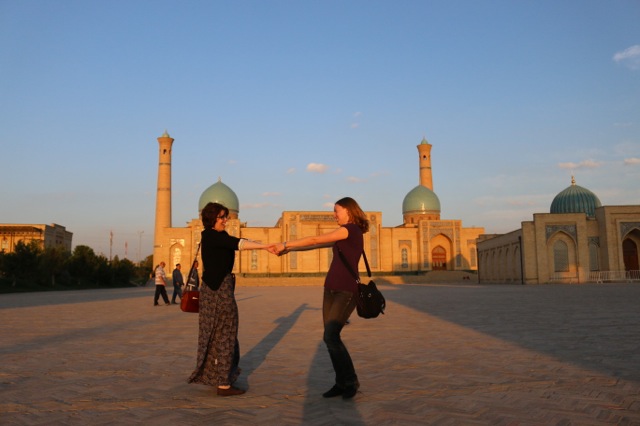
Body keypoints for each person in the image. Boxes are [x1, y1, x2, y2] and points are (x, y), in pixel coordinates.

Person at [270, 197, 369, 400]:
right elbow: (313, 246)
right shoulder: (342, 234)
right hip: (330, 289)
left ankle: (350, 381)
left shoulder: (351, 230)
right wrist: (288, 250)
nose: (334, 215)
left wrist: (284, 243)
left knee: (331, 336)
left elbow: (314, 239)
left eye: (336, 211)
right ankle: (341, 382)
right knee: (331, 338)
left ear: (349, 211)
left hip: (346, 291)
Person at [188, 202, 272, 396]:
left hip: (216, 289)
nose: (226, 220)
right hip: (218, 292)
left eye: (226, 216)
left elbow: (238, 241)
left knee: (222, 335)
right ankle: (223, 384)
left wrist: (262, 245)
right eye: (222, 217)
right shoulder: (210, 236)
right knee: (225, 334)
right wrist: (267, 246)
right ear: (212, 219)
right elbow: (239, 244)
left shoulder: (219, 236)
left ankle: (220, 377)